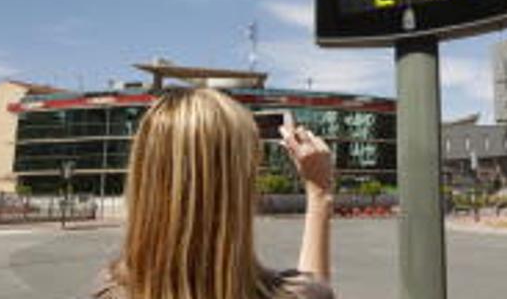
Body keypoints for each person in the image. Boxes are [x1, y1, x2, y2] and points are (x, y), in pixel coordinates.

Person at [93, 88, 334, 299]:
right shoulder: (302, 294)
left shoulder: (110, 291)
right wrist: (320, 194)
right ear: (238, 189)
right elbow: (314, 288)